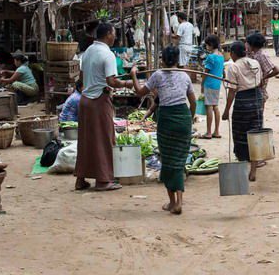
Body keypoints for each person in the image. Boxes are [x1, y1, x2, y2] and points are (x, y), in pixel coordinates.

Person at [131, 46, 196, 215]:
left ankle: (173, 202)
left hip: (167, 119)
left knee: (167, 161)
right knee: (179, 162)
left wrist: (133, 75)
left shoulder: (157, 75)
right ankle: (178, 202)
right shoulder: (184, 75)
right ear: (177, 59)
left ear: (162, 59)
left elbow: (139, 93)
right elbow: (193, 102)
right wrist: (190, 118)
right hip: (183, 118)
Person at [75, 23, 133, 192]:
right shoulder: (107, 54)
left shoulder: (87, 52)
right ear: (108, 34)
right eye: (114, 33)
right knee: (105, 139)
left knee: (86, 140)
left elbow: (82, 77)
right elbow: (112, 81)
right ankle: (103, 180)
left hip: (85, 99)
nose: (115, 37)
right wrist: (127, 83)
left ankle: (81, 179)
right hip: (99, 100)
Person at [222, 41, 263, 182]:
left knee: (240, 134)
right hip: (256, 99)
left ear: (233, 53)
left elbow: (232, 91)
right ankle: (253, 170)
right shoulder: (254, 63)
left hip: (242, 102)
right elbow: (261, 82)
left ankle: (243, 168)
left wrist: (226, 110)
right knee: (255, 134)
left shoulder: (233, 67)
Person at [246, 32, 279, 116]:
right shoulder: (254, 54)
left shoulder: (261, 55)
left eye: (248, 44)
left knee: (258, 114)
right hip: (253, 87)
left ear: (253, 45)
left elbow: (276, 70)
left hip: (260, 89)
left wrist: (263, 78)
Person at [201, 35, 224, 139]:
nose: (206, 47)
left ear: (211, 45)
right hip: (217, 83)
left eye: (207, 45)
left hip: (209, 83)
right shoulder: (221, 56)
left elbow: (206, 72)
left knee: (209, 107)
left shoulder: (211, 57)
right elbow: (222, 70)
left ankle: (209, 132)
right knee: (215, 106)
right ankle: (217, 131)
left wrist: (202, 84)